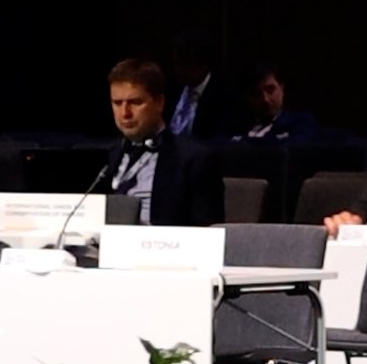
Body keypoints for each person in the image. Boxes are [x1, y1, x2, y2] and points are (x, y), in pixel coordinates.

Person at [105, 59, 223, 228]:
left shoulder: (195, 159)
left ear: (159, 103)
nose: (125, 113)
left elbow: (207, 232)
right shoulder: (107, 157)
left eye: (135, 102)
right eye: (117, 103)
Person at [166, 28, 239, 141]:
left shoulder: (223, 95)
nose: (178, 70)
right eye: (177, 63)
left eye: (186, 65)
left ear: (204, 66)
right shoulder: (171, 87)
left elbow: (217, 140)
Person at [234, 64, 319, 142]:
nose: (265, 99)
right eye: (256, 93)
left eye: (270, 89)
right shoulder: (235, 125)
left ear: (281, 89)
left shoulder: (301, 122)